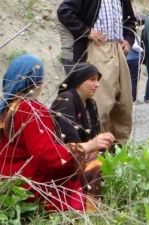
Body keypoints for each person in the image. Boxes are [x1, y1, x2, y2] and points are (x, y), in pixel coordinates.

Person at [0, 54, 115, 211]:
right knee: (92, 164)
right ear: (36, 81)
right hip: (25, 182)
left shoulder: (8, 106)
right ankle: (88, 212)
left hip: (7, 173)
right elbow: (47, 156)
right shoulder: (31, 109)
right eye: (91, 80)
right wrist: (88, 146)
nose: (96, 84)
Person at [57, 0, 136, 145]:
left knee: (124, 102)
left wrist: (128, 39)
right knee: (102, 103)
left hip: (118, 49)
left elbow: (130, 21)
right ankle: (99, 148)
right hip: (97, 48)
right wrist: (87, 32)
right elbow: (64, 11)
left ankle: (119, 148)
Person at [126, 38, 144, 102]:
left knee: (129, 79)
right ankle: (133, 98)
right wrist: (142, 50)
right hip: (135, 59)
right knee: (134, 79)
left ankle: (129, 97)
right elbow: (135, 46)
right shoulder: (132, 34)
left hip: (127, 59)